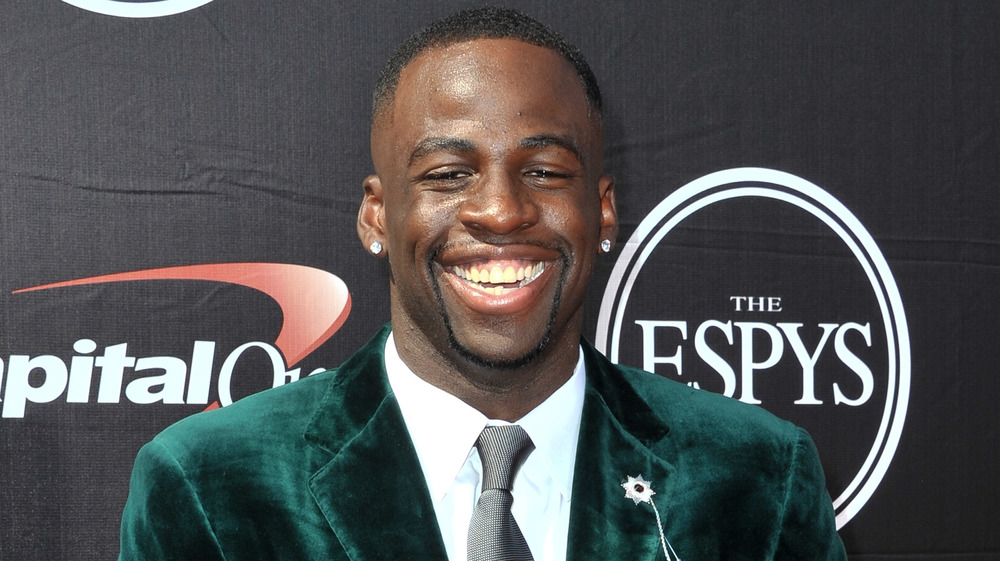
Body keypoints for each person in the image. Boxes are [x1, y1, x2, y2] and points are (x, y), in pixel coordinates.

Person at [119, 6, 847, 560]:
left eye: (544, 172)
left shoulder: (756, 479)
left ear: (602, 209)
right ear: (376, 215)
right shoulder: (209, 486)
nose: (500, 210)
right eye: (447, 175)